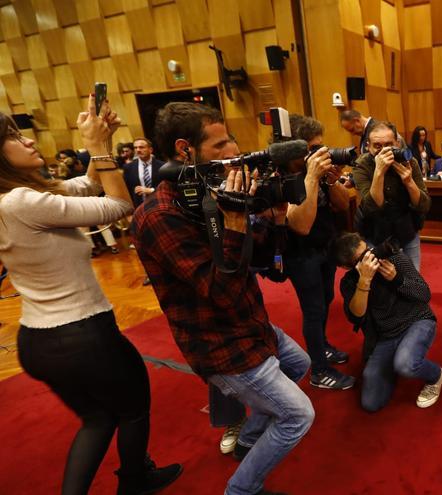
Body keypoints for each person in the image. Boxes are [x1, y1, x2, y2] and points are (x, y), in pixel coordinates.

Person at [131, 102, 314, 495]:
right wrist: (233, 222)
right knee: (298, 415)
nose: (234, 149)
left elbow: (270, 263)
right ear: (185, 149)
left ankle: (248, 440)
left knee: (299, 364)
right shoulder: (159, 215)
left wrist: (276, 217)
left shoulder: (215, 187)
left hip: (253, 325)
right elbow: (221, 292)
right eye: (221, 143)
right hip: (219, 345)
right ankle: (241, 490)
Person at [1, 99, 181, 495]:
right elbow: (118, 206)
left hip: (39, 341)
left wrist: (102, 141)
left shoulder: (20, 198)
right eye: (13, 137)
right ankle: (135, 483)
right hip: (81, 336)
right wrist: (98, 150)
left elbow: (89, 185)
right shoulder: (20, 202)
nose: (29, 140)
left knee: (98, 419)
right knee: (133, 409)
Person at [281, 114, 355, 390]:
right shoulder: (285, 178)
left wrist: (332, 180)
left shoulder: (317, 173)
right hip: (301, 254)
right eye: (313, 148)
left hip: (325, 248)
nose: (320, 153)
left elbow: (342, 205)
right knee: (313, 310)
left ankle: (322, 347)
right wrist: (312, 176)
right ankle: (319, 372)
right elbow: (300, 225)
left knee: (325, 300)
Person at [332, 232, 442, 412]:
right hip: (384, 336)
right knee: (370, 403)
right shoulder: (350, 282)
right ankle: (397, 362)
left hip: (416, 320)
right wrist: (364, 281)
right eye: (362, 259)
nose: (370, 258)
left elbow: (424, 294)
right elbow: (356, 317)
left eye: (368, 251)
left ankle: (435, 376)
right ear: (347, 267)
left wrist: (396, 279)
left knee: (405, 364)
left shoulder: (392, 258)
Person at [352, 121, 430, 271]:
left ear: (397, 143)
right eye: (377, 146)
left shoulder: (409, 161)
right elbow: (372, 207)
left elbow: (424, 205)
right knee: (379, 283)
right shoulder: (362, 165)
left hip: (406, 230)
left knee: (413, 281)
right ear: (368, 146)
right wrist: (379, 172)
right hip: (375, 233)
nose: (383, 151)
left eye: (389, 144)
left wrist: (408, 182)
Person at [123, 137, 164, 209]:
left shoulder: (162, 166)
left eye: (141, 147)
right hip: (139, 207)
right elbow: (127, 190)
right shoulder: (128, 167)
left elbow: (168, 186)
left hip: (160, 204)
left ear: (150, 150)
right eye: (135, 148)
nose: (138, 150)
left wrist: (151, 190)